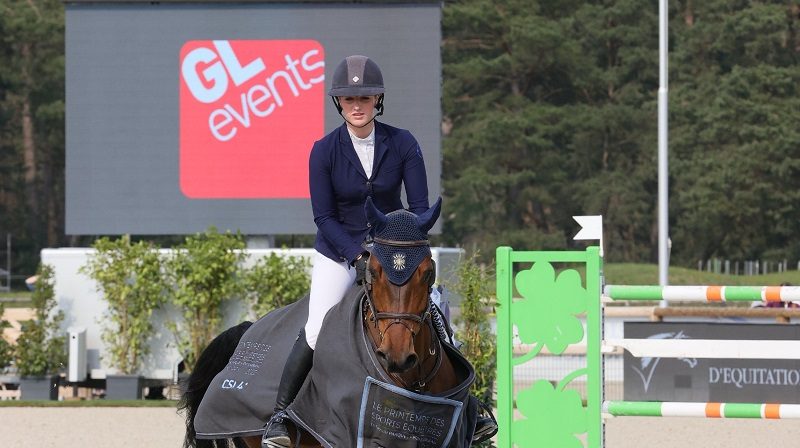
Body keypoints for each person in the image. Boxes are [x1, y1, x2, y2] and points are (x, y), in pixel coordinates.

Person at [263, 55, 430, 448]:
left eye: (365, 97)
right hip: (339, 251)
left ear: (378, 100)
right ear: (338, 103)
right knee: (319, 326)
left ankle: (469, 408)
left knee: (436, 310)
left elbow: (420, 208)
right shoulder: (324, 150)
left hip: (394, 252)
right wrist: (356, 255)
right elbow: (323, 216)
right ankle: (280, 416)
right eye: (349, 97)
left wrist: (396, 246)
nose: (357, 104)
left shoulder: (403, 142)